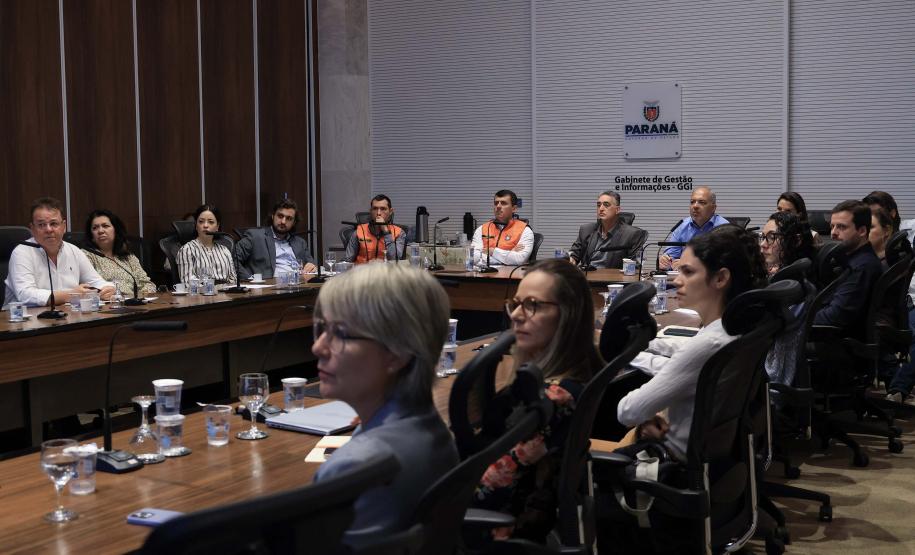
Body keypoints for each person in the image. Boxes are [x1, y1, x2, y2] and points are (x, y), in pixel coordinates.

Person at [311, 263, 458, 544]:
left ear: (397, 354)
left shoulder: (355, 468)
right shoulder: (431, 427)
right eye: (321, 328)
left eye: (340, 333)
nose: (318, 347)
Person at [473, 259, 603, 542]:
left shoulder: (553, 398)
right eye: (516, 303)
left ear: (568, 316)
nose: (517, 315)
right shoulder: (576, 376)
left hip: (504, 529)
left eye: (533, 304)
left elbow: (492, 484)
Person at [617, 225, 767, 461]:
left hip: (667, 462)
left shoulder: (710, 343)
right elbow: (685, 361)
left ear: (720, 278)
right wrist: (640, 347)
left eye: (687, 272)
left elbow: (628, 411)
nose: (676, 280)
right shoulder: (735, 328)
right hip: (713, 462)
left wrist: (625, 356)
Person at [3, 197, 115, 310]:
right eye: (41, 225)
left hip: (65, 317)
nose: (48, 229)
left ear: (64, 226)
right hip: (21, 321)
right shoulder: (22, 252)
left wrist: (108, 288)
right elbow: (25, 295)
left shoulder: (74, 251)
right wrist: (71, 295)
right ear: (32, 228)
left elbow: (96, 281)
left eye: (54, 223)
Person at [813, 200, 883, 337]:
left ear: (862, 231)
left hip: (840, 343)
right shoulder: (848, 258)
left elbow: (834, 317)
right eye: (832, 226)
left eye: (841, 227)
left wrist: (797, 321)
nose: (833, 233)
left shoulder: (863, 266)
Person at [82, 210, 157, 298]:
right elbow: (89, 289)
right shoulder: (86, 256)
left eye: (105, 226)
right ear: (91, 235)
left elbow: (147, 284)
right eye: (95, 228)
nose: (100, 231)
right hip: (107, 306)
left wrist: (139, 297)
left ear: (116, 230)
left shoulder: (128, 257)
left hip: (134, 304)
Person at [235, 199, 316, 279]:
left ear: (294, 222)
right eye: (280, 216)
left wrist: (312, 266)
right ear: (273, 216)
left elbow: (311, 264)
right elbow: (232, 260)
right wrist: (250, 280)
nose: (283, 222)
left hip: (299, 284)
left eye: (289, 218)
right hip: (270, 287)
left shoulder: (300, 242)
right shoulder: (254, 236)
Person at [569, 191, 646, 269]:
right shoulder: (586, 230)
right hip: (587, 278)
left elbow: (636, 266)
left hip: (613, 279)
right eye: (598, 205)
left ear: (617, 210)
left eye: (606, 205)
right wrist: (571, 259)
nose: (601, 209)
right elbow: (574, 254)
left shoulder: (633, 234)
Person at [658, 186, 729, 270]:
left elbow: (724, 261)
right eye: (692, 202)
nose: (695, 206)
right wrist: (665, 261)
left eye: (702, 202)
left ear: (713, 208)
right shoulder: (681, 226)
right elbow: (672, 256)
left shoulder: (724, 228)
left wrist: (688, 264)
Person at [175, 204, 237, 284]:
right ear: (196, 226)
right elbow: (188, 284)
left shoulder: (225, 251)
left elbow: (233, 280)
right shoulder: (187, 250)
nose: (205, 225)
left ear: (217, 226)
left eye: (211, 222)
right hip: (200, 295)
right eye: (201, 222)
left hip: (226, 295)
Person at [471, 189, 535, 267]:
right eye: (496, 203)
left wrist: (493, 251)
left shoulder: (525, 230)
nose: (498, 206)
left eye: (503, 203)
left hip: (509, 276)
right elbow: (473, 257)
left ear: (514, 208)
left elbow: (520, 259)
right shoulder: (482, 229)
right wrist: (509, 253)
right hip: (484, 274)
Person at [344, 194, 407, 263]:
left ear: (390, 211)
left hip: (386, 272)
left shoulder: (399, 232)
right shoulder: (359, 231)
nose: (378, 213)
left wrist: (386, 232)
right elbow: (348, 260)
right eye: (375, 209)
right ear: (370, 211)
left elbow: (394, 260)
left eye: (383, 209)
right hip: (362, 272)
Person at [759, 211, 816, 276]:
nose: (762, 244)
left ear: (796, 240)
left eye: (771, 237)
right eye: (763, 237)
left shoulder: (793, 282)